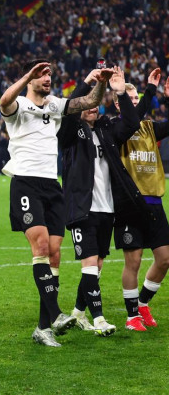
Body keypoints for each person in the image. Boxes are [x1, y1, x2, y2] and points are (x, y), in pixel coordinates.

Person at [0, 59, 113, 347]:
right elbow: (3, 100)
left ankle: (42, 328)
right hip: (25, 181)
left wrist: (101, 81)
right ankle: (56, 313)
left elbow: (88, 101)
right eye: (42, 74)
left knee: (54, 255)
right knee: (39, 246)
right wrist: (28, 75)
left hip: (52, 185)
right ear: (30, 78)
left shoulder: (55, 105)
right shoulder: (20, 106)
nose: (47, 78)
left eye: (49, 73)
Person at [57, 66, 143, 337]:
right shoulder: (71, 133)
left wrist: (120, 91)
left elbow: (131, 124)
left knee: (97, 266)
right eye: (88, 105)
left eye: (96, 105)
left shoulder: (106, 132)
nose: (93, 108)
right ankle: (99, 320)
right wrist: (88, 82)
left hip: (107, 210)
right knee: (90, 265)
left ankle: (78, 314)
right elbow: (70, 108)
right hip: (82, 209)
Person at [111, 71, 169, 331]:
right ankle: (132, 316)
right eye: (130, 99)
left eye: (137, 99)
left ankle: (143, 303)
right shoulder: (115, 128)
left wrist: (166, 98)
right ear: (119, 101)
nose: (135, 103)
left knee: (165, 259)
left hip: (155, 203)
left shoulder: (149, 127)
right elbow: (130, 119)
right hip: (129, 206)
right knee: (132, 262)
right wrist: (149, 90)